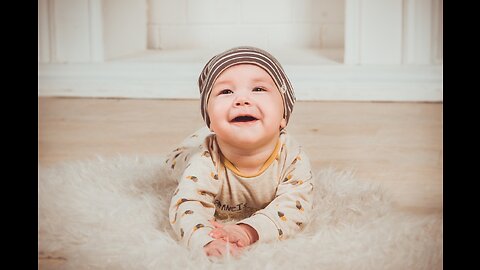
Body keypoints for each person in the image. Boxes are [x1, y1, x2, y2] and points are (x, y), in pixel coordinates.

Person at [167, 46, 314, 258]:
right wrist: (205, 240)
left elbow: (294, 207)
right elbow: (188, 205)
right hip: (187, 155)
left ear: (284, 115)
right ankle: (200, 137)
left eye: (258, 89)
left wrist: (248, 230)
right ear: (210, 120)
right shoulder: (204, 160)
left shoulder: (293, 157)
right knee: (182, 157)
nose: (242, 100)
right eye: (226, 91)